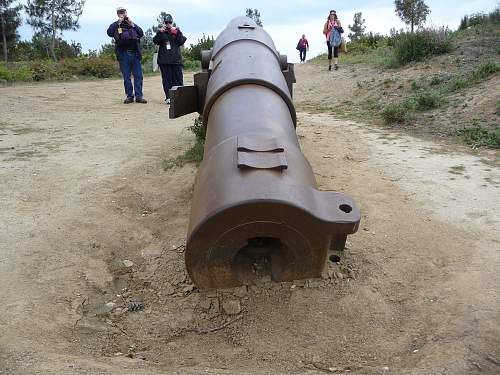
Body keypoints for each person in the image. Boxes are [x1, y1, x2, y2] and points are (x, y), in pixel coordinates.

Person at [107, 7, 147, 104]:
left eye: (123, 12)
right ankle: (129, 96)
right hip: (123, 55)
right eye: (120, 13)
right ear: (117, 14)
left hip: (135, 54)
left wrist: (132, 24)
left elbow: (141, 33)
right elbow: (109, 32)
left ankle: (139, 96)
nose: (122, 14)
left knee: (138, 76)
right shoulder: (116, 25)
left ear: (126, 13)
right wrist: (118, 22)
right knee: (126, 77)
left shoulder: (131, 24)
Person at [153, 14, 187, 105]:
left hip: (176, 60)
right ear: (164, 22)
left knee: (178, 79)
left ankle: (180, 97)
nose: (168, 24)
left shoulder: (176, 31)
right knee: (167, 80)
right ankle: (168, 97)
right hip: (164, 61)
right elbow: (155, 41)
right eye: (166, 22)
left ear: (172, 22)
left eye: (169, 22)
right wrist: (159, 32)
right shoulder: (161, 32)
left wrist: (177, 32)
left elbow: (182, 41)